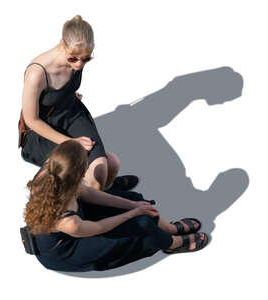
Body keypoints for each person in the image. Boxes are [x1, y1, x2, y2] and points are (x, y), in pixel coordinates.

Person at [24, 140, 209, 272]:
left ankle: (169, 228)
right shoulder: (67, 221)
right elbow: (99, 227)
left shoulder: (55, 172)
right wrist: (133, 213)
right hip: (65, 250)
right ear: (78, 174)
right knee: (141, 223)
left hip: (78, 221)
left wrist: (132, 204)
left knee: (135, 198)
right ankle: (172, 243)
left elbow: (88, 194)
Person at [19, 15, 138, 191]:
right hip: (42, 129)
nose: (78, 65)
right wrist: (70, 142)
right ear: (62, 44)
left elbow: (64, 82)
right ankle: (93, 207)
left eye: (86, 59)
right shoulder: (37, 73)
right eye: (73, 59)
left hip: (71, 113)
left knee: (106, 168)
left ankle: (105, 191)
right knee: (98, 171)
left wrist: (66, 93)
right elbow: (31, 120)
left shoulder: (78, 56)